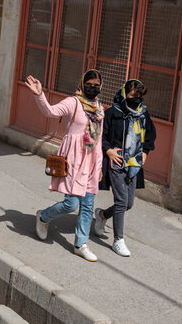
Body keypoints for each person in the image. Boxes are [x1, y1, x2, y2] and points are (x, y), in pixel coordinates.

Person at [24, 70, 105, 261]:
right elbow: (50, 112)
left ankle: (80, 244)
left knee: (87, 205)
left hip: (91, 160)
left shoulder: (99, 108)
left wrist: (100, 166)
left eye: (96, 85)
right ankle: (43, 217)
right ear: (82, 83)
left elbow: (99, 139)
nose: (92, 88)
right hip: (74, 159)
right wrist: (39, 94)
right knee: (71, 203)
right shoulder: (73, 102)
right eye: (89, 84)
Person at [94, 79, 157, 258]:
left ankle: (103, 215)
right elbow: (101, 136)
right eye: (132, 97)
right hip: (116, 163)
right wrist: (109, 151)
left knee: (128, 204)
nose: (136, 101)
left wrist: (145, 153)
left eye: (139, 97)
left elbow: (150, 136)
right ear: (124, 95)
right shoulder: (113, 113)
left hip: (134, 164)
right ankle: (118, 240)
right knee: (121, 201)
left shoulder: (143, 114)